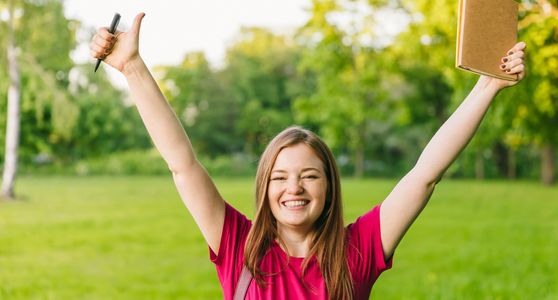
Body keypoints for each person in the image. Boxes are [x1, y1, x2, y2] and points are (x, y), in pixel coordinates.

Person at [90, 13, 526, 300]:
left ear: (329, 187)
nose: (293, 187)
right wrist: (132, 68)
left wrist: (487, 87)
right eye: (279, 177)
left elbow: (425, 174)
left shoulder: (358, 250)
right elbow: (182, 163)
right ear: (264, 187)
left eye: (309, 176)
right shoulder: (238, 248)